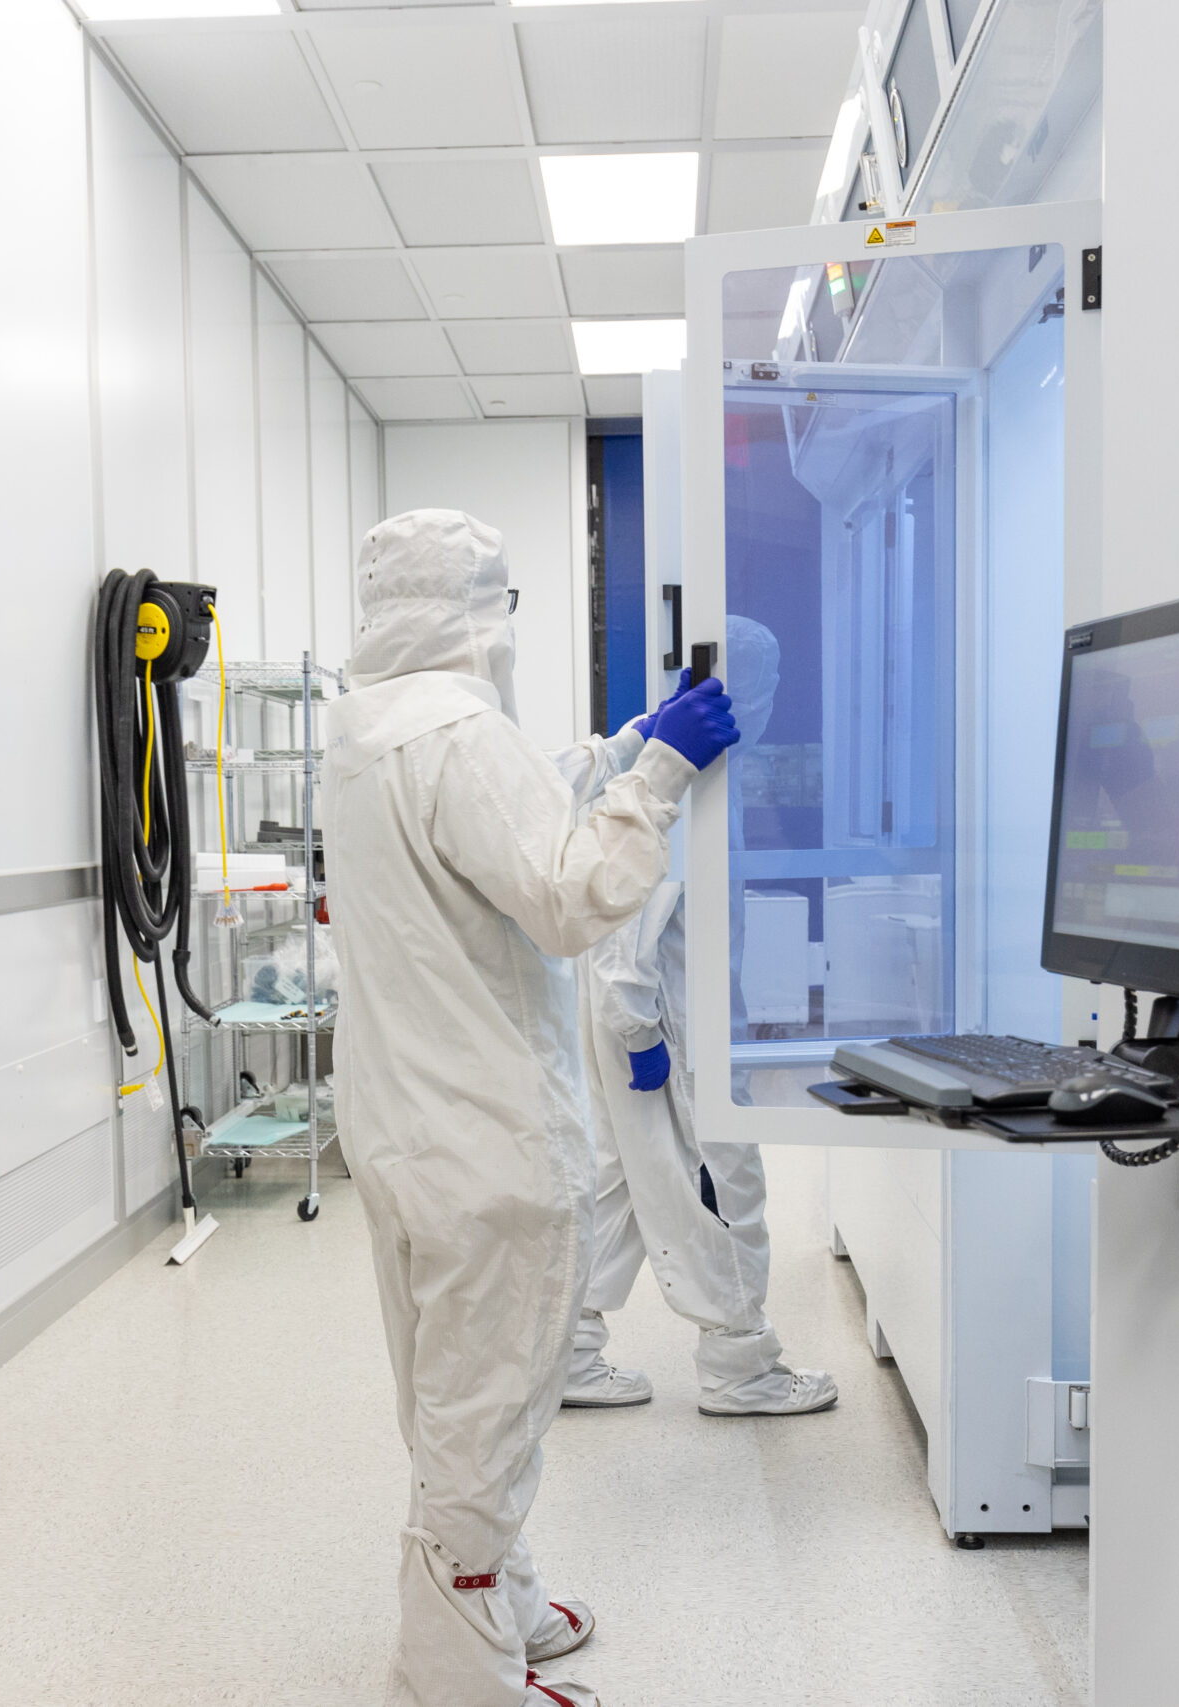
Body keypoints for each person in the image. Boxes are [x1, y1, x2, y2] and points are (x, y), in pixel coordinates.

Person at [320, 509, 740, 1707]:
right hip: (489, 1132)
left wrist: (615, 751)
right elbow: (566, 893)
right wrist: (659, 776)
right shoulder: (459, 732)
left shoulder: (363, 730)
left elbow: (493, 828)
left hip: (405, 1129)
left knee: (448, 1382)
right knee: (491, 1395)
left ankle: (488, 1591)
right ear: (478, 610)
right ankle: (456, 1673)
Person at [562, 617, 838, 1417]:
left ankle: (569, 1352)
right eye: (773, 679)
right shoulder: (691, 785)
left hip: (653, 1019)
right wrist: (640, 1033)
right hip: (665, 1028)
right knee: (726, 1183)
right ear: (751, 691)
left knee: (619, 1180)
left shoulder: (706, 774)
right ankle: (739, 1363)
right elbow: (625, 927)